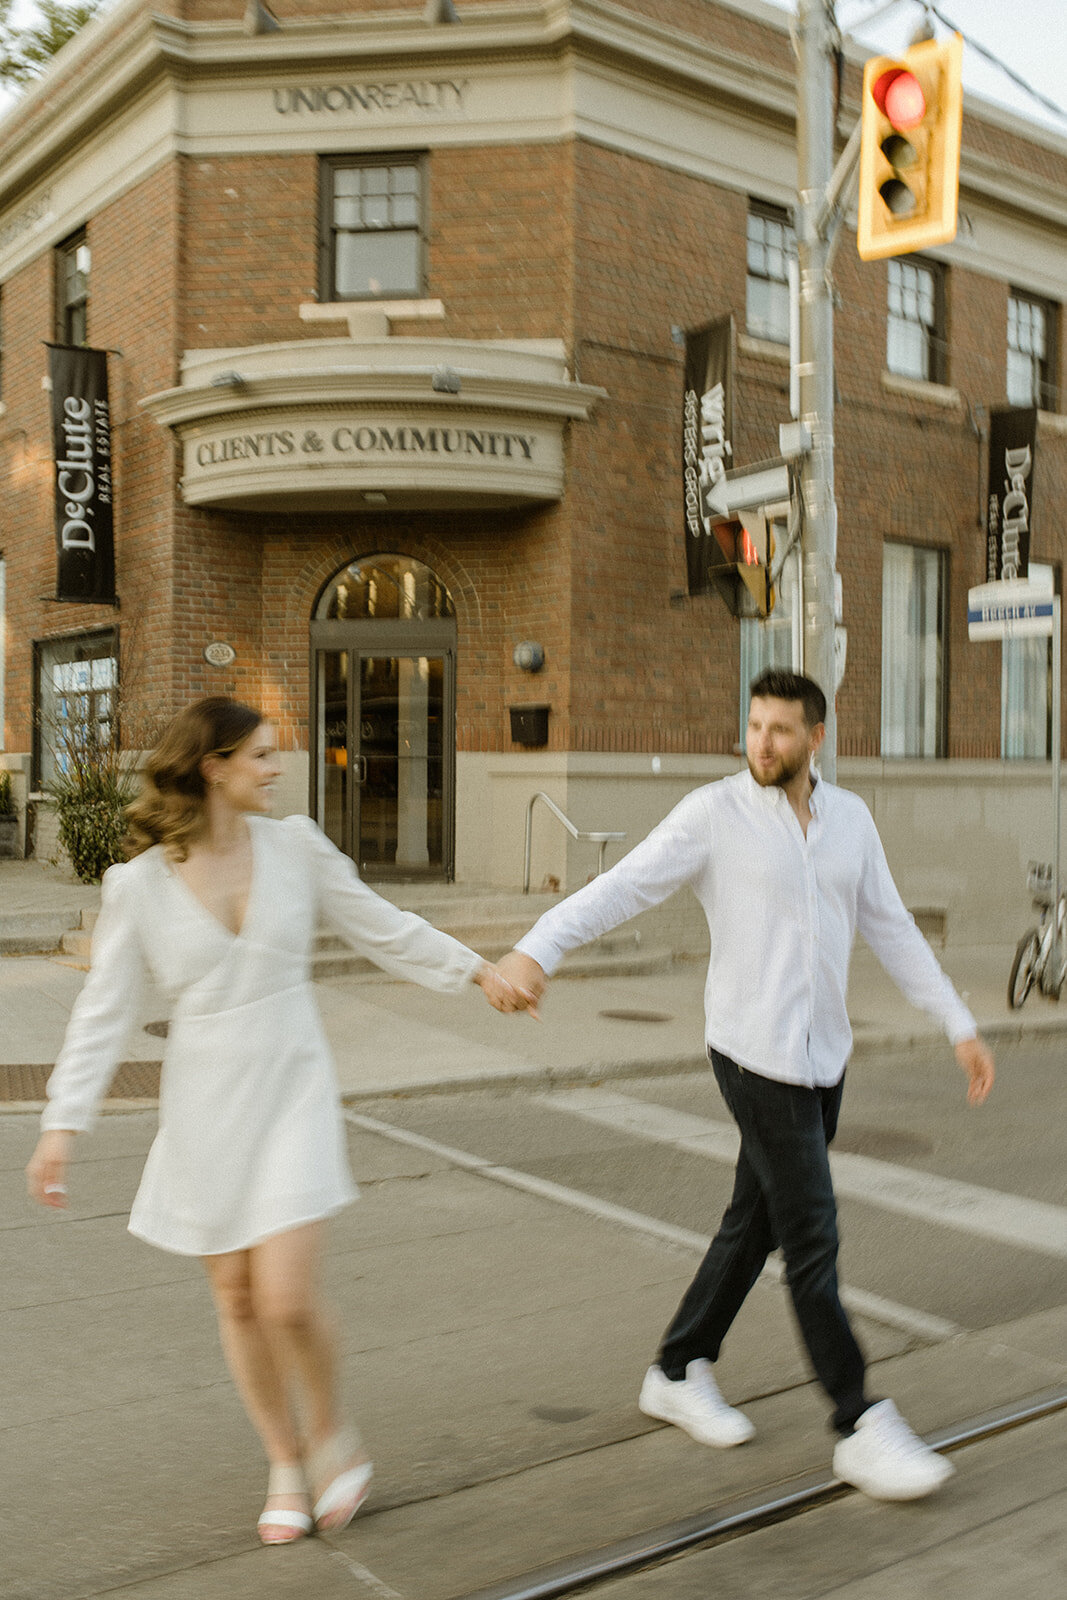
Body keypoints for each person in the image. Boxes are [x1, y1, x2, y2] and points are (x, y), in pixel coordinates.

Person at [27, 696, 526, 1546]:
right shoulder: (139, 886)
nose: (274, 767)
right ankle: (284, 1457)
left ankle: (332, 1432)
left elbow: (383, 926)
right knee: (236, 1295)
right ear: (213, 766)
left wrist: (474, 970)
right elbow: (103, 1014)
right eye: (258, 754)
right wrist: (60, 1126)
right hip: (204, 1106)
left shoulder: (296, 849)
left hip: (291, 1084)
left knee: (286, 1298)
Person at [497, 669, 995, 1502]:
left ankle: (678, 1365)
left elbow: (891, 927)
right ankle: (857, 1419)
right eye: (753, 726)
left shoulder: (849, 823)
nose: (761, 743)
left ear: (816, 738)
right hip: (751, 1055)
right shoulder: (713, 815)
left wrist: (958, 1022)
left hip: (820, 1058)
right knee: (811, 1233)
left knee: (752, 1223)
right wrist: (535, 949)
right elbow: (622, 887)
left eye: (779, 730)